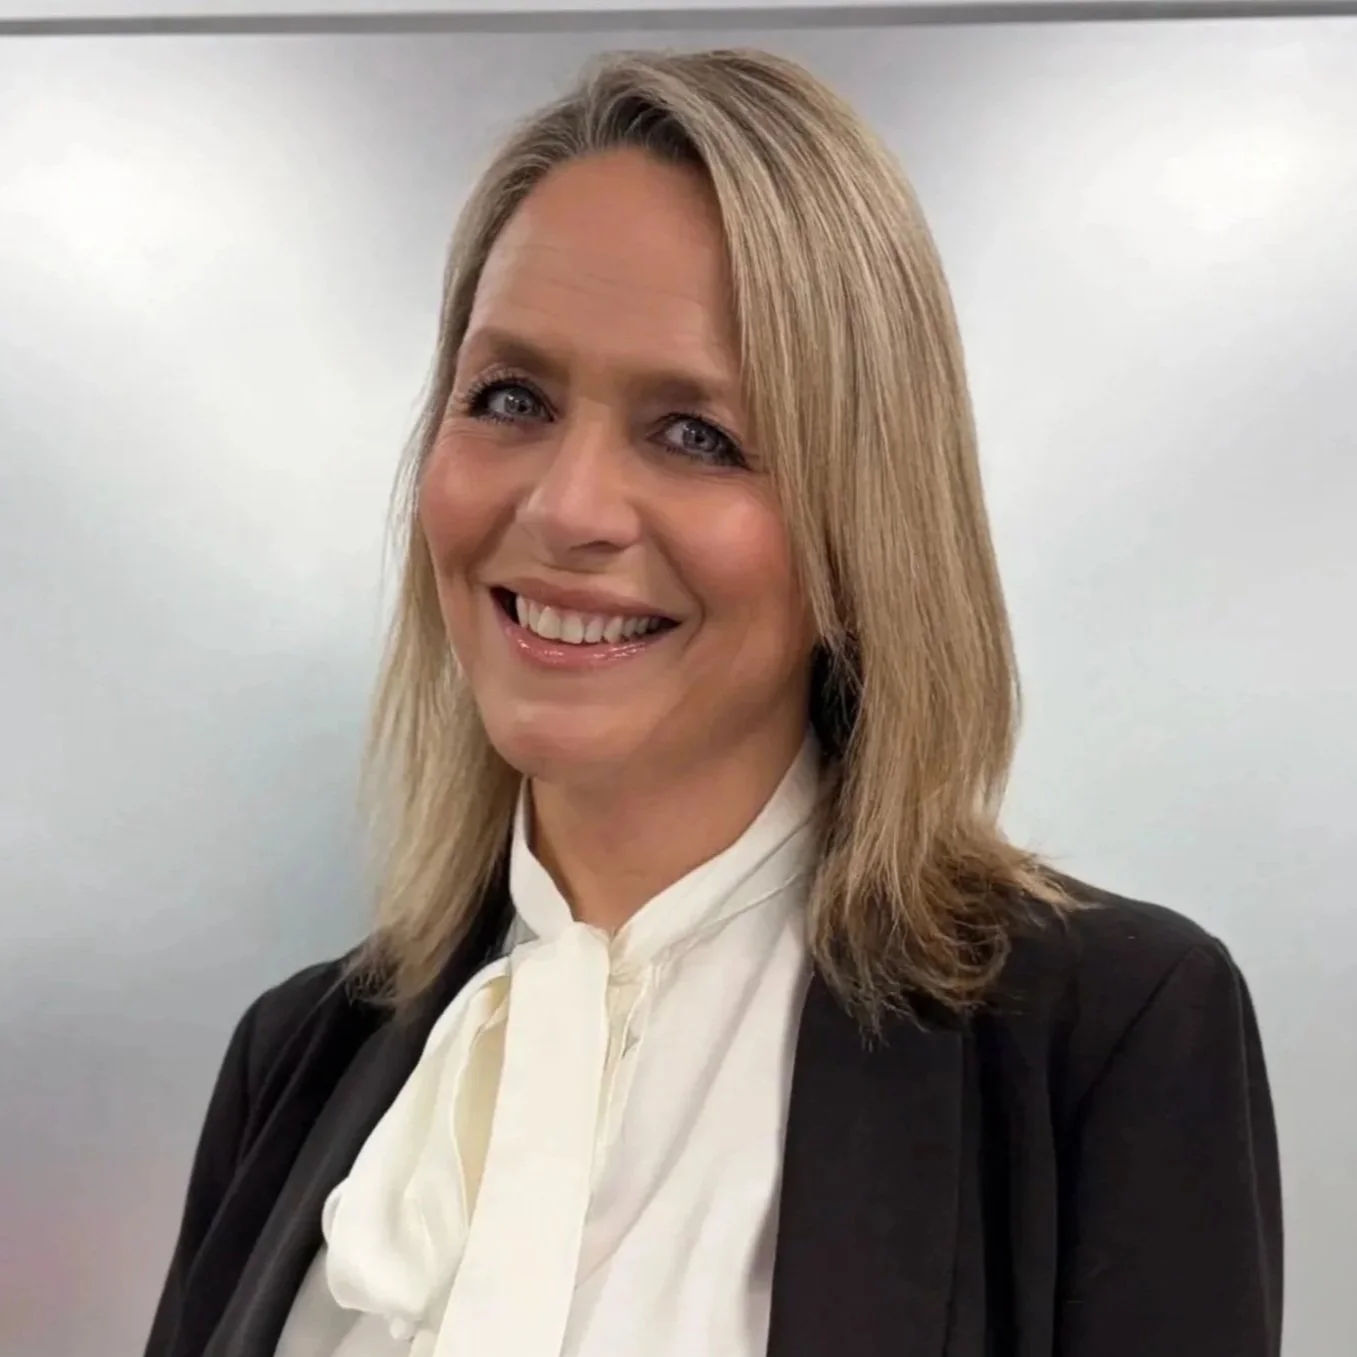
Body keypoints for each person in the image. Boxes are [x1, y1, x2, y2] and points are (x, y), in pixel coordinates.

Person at [143, 47, 1282, 1357]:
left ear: (864, 522)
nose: (565, 509)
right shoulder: (293, 1060)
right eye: (510, 397)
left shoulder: (1108, 1037)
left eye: (697, 434)